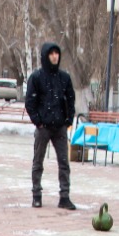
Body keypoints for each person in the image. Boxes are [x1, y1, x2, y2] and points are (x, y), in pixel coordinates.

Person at [24, 41, 76, 210]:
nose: (55, 57)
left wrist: (68, 119)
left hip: (60, 126)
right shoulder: (37, 77)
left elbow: (70, 98)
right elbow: (30, 102)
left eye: (57, 53)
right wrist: (38, 121)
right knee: (38, 161)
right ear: (46, 56)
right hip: (43, 126)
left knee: (64, 162)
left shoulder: (64, 78)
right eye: (51, 54)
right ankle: (36, 195)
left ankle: (64, 196)